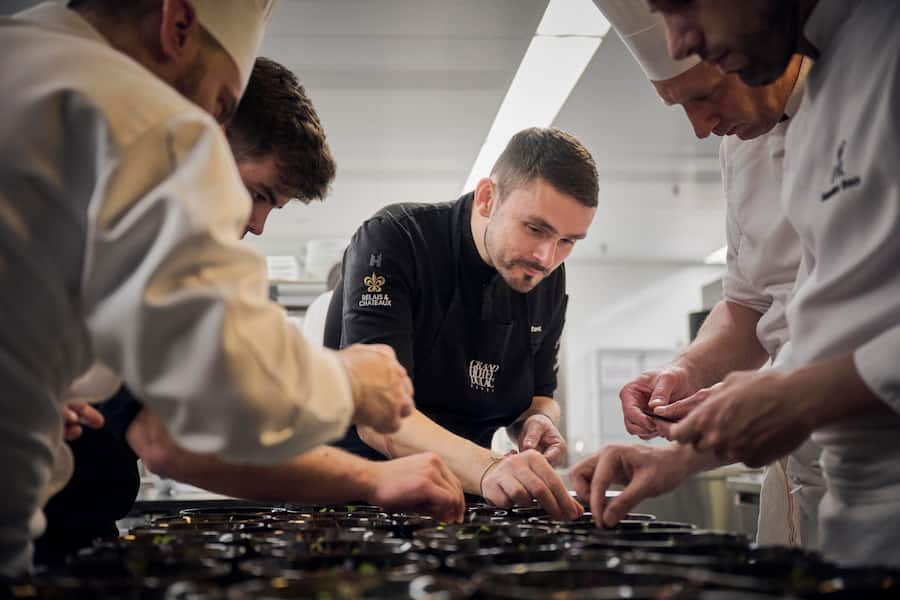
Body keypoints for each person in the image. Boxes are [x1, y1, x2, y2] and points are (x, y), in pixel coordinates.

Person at [0, 0, 414, 576]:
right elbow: (226, 384)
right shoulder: (145, 115)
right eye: (219, 102)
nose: (208, 129)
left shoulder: (20, 56)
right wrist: (355, 380)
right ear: (178, 24)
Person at [576, 0, 900, 567]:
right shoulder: (803, 105)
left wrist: (795, 394)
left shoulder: (880, 45)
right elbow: (791, 317)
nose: (678, 42)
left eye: (703, 90)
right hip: (832, 487)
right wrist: (683, 450)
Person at [591, 0, 823, 548]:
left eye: (704, 94)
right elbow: (747, 307)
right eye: (681, 106)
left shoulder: (858, 93)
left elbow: (866, 322)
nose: (701, 129)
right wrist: (687, 370)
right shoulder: (738, 147)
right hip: (797, 476)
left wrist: (700, 447)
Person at [324, 127, 595, 520]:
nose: (546, 257)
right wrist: (489, 467)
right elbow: (377, 418)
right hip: (362, 504)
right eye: (535, 229)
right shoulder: (396, 239)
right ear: (487, 198)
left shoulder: (546, 275)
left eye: (568, 241)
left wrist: (537, 421)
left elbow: (541, 393)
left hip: (466, 503)